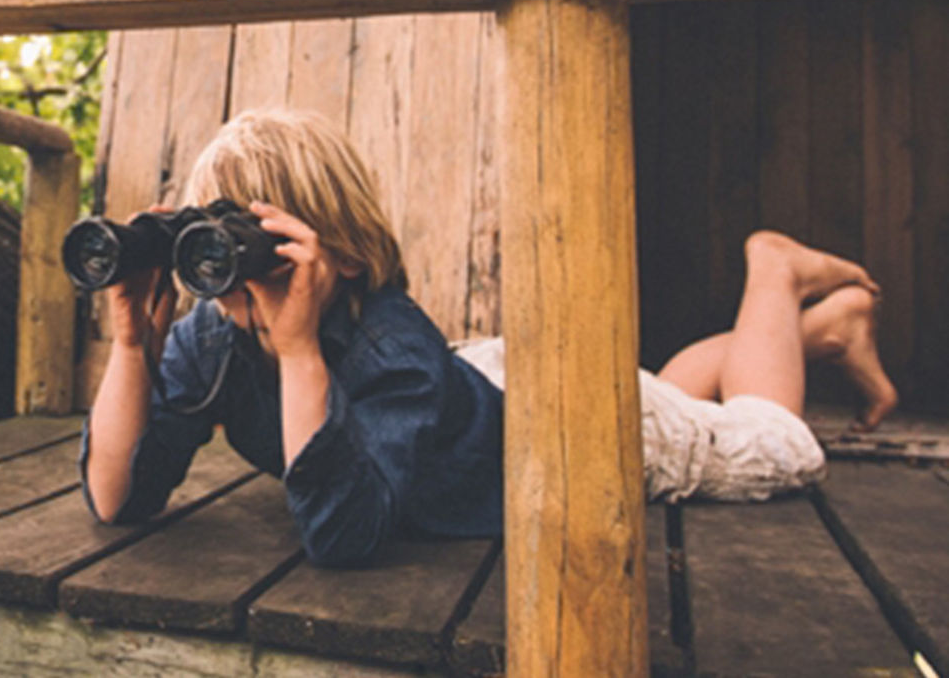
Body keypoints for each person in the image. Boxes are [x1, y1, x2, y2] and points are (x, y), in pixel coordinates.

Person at [80, 109, 898, 566]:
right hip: (475, 387)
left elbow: (341, 538)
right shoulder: (214, 338)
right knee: (671, 397)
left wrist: (297, 353)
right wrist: (130, 347)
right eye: (207, 248)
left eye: (244, 247)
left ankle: (777, 275)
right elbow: (116, 500)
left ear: (330, 250)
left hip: (559, 426)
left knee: (776, 443)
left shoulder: (389, 347)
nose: (228, 279)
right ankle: (816, 332)